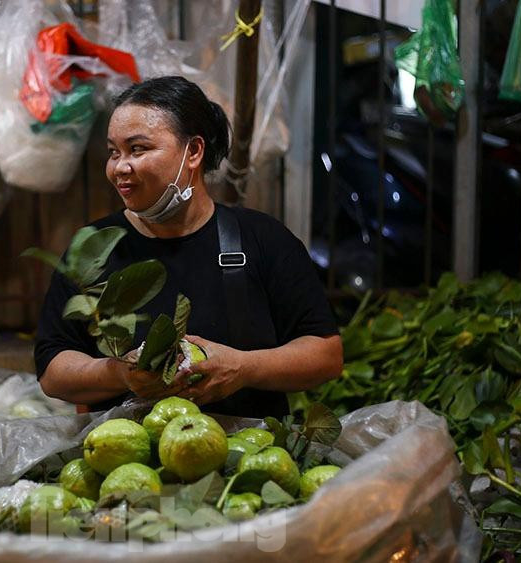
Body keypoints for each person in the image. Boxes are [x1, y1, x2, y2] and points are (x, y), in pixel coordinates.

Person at [34, 76, 342, 419]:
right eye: (113, 152)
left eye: (138, 149)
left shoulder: (262, 239)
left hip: (248, 459)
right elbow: (52, 370)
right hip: (124, 461)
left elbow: (325, 355)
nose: (120, 167)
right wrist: (119, 373)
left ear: (193, 152)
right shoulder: (94, 248)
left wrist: (243, 367)